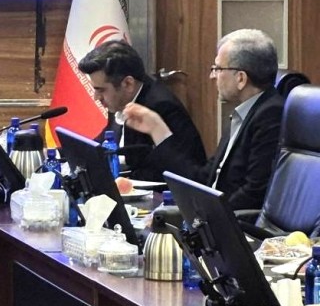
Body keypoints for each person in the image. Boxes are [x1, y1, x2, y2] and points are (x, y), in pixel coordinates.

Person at [122, 28, 285, 211]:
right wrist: (158, 130)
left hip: (233, 222)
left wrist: (204, 217)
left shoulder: (270, 115)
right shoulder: (245, 113)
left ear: (241, 78)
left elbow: (254, 193)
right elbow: (203, 178)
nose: (212, 76)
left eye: (218, 69)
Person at [76, 40, 204, 181]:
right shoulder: (119, 99)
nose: (96, 97)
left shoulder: (162, 106)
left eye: (101, 90)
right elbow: (104, 143)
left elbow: (180, 171)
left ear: (128, 84)